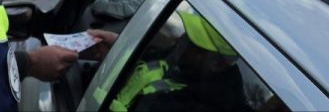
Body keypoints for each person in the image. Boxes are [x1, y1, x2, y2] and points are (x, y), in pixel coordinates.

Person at [87, 12, 249, 112]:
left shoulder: (201, 105)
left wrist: (96, 97)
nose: (180, 40)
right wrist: (119, 49)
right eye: (186, 35)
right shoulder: (187, 68)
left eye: (191, 43)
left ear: (217, 65)